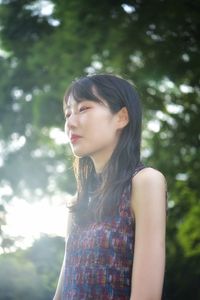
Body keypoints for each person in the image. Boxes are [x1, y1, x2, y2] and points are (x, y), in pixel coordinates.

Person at [53, 74, 167, 300]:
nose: (70, 123)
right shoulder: (77, 201)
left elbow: (147, 296)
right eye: (68, 113)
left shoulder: (145, 182)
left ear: (121, 117)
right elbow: (63, 290)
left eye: (84, 108)